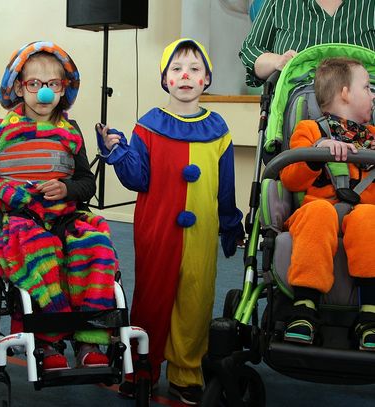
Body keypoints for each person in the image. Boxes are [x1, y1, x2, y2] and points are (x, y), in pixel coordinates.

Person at [96, 38, 244, 405]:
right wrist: (117, 150)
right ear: (165, 79)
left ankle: (186, 373)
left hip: (201, 233)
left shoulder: (219, 128)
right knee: (152, 299)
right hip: (157, 229)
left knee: (196, 300)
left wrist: (230, 223)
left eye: (195, 69)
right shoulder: (148, 125)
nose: (186, 76)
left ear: (206, 79)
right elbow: (138, 178)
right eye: (177, 69)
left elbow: (226, 186)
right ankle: (141, 369)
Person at [0, 41, 118, 371]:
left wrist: (66, 187)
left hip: (65, 215)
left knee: (97, 246)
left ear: (63, 89)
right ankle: (48, 342)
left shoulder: (70, 130)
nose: (44, 92)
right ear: (19, 87)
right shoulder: (0, 129)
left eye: (53, 84)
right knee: (40, 252)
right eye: (34, 84)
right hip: (21, 218)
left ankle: (90, 339)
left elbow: (87, 183)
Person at [280, 57, 375, 349]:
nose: (373, 95)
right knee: (319, 211)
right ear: (345, 93)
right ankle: (304, 308)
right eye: (367, 88)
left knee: (369, 216)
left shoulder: (373, 137)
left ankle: (370, 314)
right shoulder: (309, 130)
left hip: (363, 214)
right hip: (317, 212)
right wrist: (316, 152)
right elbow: (290, 179)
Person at [239, 0, 375, 87]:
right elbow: (251, 50)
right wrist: (277, 61)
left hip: (364, 117)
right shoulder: (281, 2)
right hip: (293, 113)